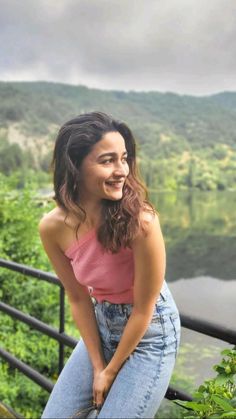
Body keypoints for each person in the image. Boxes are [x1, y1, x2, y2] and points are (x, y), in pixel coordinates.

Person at [39, 111, 180, 419]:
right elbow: (78, 298)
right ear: (75, 166)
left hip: (149, 334)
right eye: (107, 161)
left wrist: (111, 371)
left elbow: (144, 309)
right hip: (101, 328)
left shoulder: (141, 221)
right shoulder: (52, 228)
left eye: (124, 158)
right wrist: (97, 365)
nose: (122, 171)